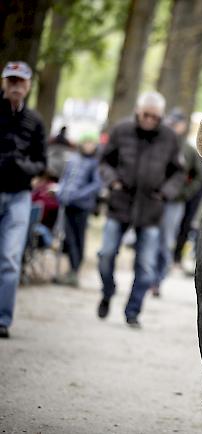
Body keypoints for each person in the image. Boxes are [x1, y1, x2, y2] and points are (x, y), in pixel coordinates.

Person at [96, 91, 184, 328]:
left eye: (155, 116)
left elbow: (178, 172)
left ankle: (133, 311)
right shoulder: (121, 130)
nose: (149, 120)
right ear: (137, 110)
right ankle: (107, 291)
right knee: (105, 255)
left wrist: (165, 193)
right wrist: (112, 181)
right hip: (120, 203)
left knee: (145, 267)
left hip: (151, 209)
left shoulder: (169, 137)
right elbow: (105, 161)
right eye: (146, 115)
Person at [0, 61, 47, 339]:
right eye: (11, 81)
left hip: (19, 196)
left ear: (28, 86)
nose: (16, 86)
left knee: (9, 258)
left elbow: (41, 163)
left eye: (21, 82)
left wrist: (22, 166)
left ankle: (3, 319)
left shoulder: (35, 121)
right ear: (4, 83)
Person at [150, 109, 202, 297]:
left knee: (165, 241)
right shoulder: (156, 143)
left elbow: (200, 176)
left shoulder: (188, 150)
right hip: (152, 200)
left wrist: (184, 194)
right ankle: (146, 278)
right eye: (170, 123)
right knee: (149, 238)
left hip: (174, 203)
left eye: (176, 124)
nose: (172, 127)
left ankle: (157, 281)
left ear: (182, 126)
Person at [54, 131, 102, 287]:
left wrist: (78, 195)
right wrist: (61, 191)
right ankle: (69, 269)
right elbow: (65, 178)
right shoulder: (73, 159)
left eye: (92, 143)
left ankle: (75, 269)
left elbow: (96, 185)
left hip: (82, 206)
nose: (89, 146)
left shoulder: (95, 163)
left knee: (78, 238)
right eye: (86, 142)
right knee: (68, 238)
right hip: (67, 204)